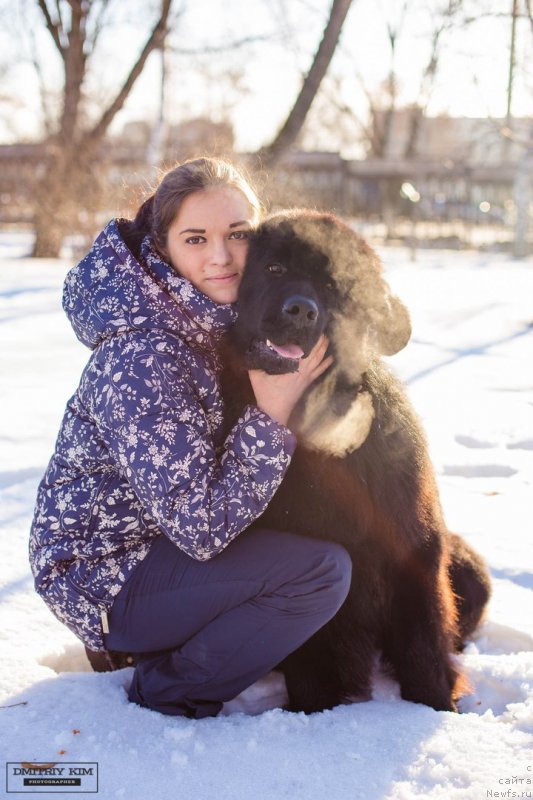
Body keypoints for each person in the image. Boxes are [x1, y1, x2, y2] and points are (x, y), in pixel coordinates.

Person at [29, 157, 352, 718]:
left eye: (239, 234)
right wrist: (271, 417)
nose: (221, 256)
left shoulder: (210, 322)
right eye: (196, 238)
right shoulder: (146, 355)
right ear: (163, 249)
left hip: (154, 542)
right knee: (319, 574)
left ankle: (163, 637)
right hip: (104, 572)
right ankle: (172, 685)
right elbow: (202, 528)